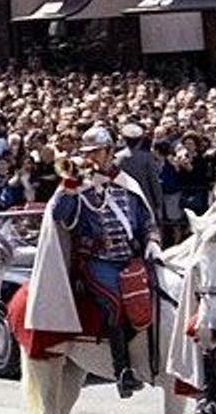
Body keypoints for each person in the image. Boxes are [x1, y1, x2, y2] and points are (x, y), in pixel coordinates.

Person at [25, 126, 158, 398]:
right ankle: (123, 371)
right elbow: (61, 216)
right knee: (115, 303)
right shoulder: (79, 185)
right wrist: (69, 186)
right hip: (98, 261)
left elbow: (145, 219)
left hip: (130, 257)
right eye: (87, 153)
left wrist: (152, 240)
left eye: (96, 151)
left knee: (159, 296)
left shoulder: (126, 183)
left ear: (110, 152)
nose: (91, 157)